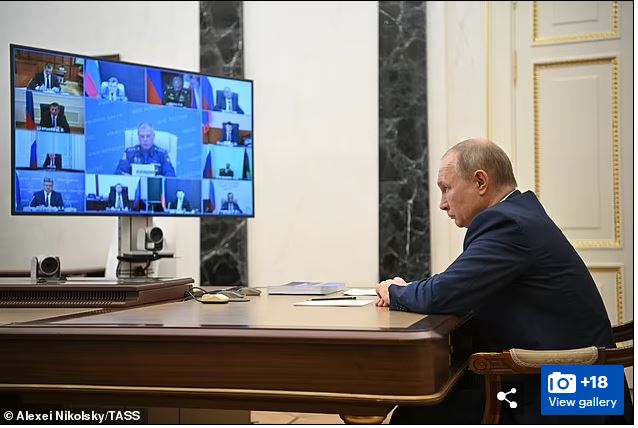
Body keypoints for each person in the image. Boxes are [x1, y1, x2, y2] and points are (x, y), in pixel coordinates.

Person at [375, 139, 631, 424]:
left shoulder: (507, 224)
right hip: (577, 382)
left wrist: (395, 291)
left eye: (446, 188)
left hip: (571, 396)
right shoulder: (518, 215)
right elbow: (457, 284)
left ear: (480, 181)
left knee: (414, 416)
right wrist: (416, 290)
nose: (442, 203)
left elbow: (442, 294)